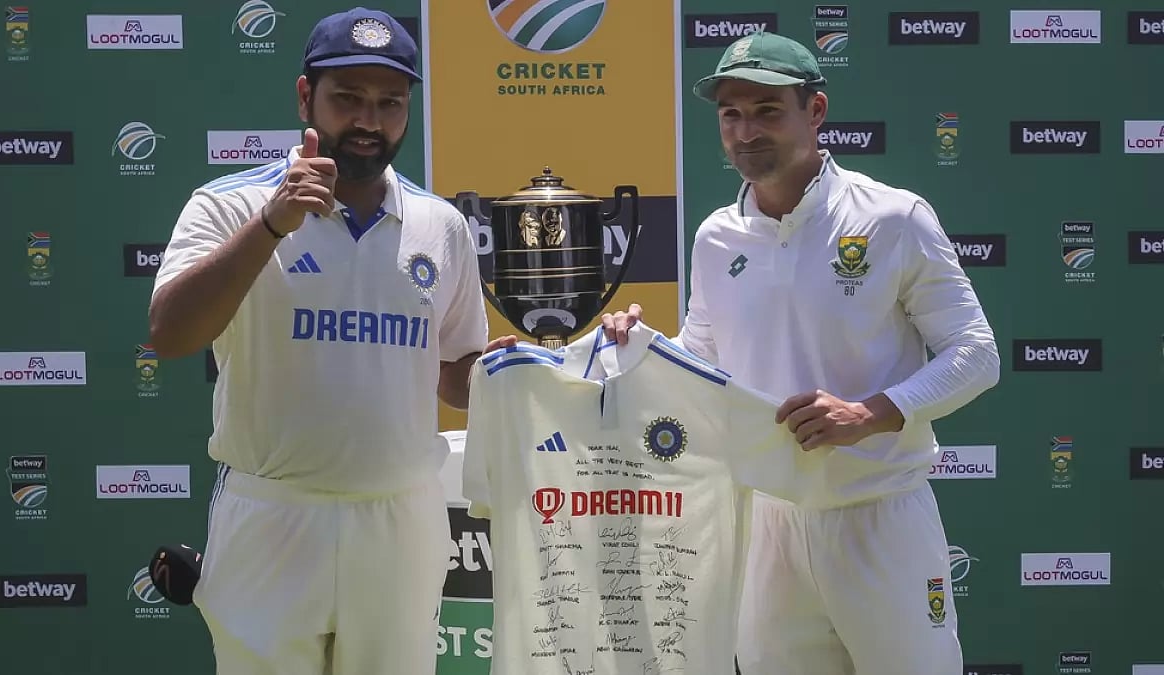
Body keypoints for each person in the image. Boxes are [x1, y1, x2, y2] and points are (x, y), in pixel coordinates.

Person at [601, 29, 1000, 675]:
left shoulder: (893, 217)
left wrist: (871, 412)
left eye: (766, 111)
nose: (745, 131)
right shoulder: (715, 237)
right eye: (731, 114)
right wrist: (637, 348)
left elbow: (977, 353)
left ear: (815, 111)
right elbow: (702, 364)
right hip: (765, 528)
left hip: (879, 516)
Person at [147, 8, 513, 675]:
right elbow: (170, 333)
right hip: (273, 517)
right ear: (304, 96)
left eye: (389, 103)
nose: (369, 121)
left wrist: (507, 371)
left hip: (399, 519)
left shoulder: (442, 225)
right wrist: (271, 226)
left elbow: (454, 373)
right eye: (348, 99)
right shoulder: (229, 204)